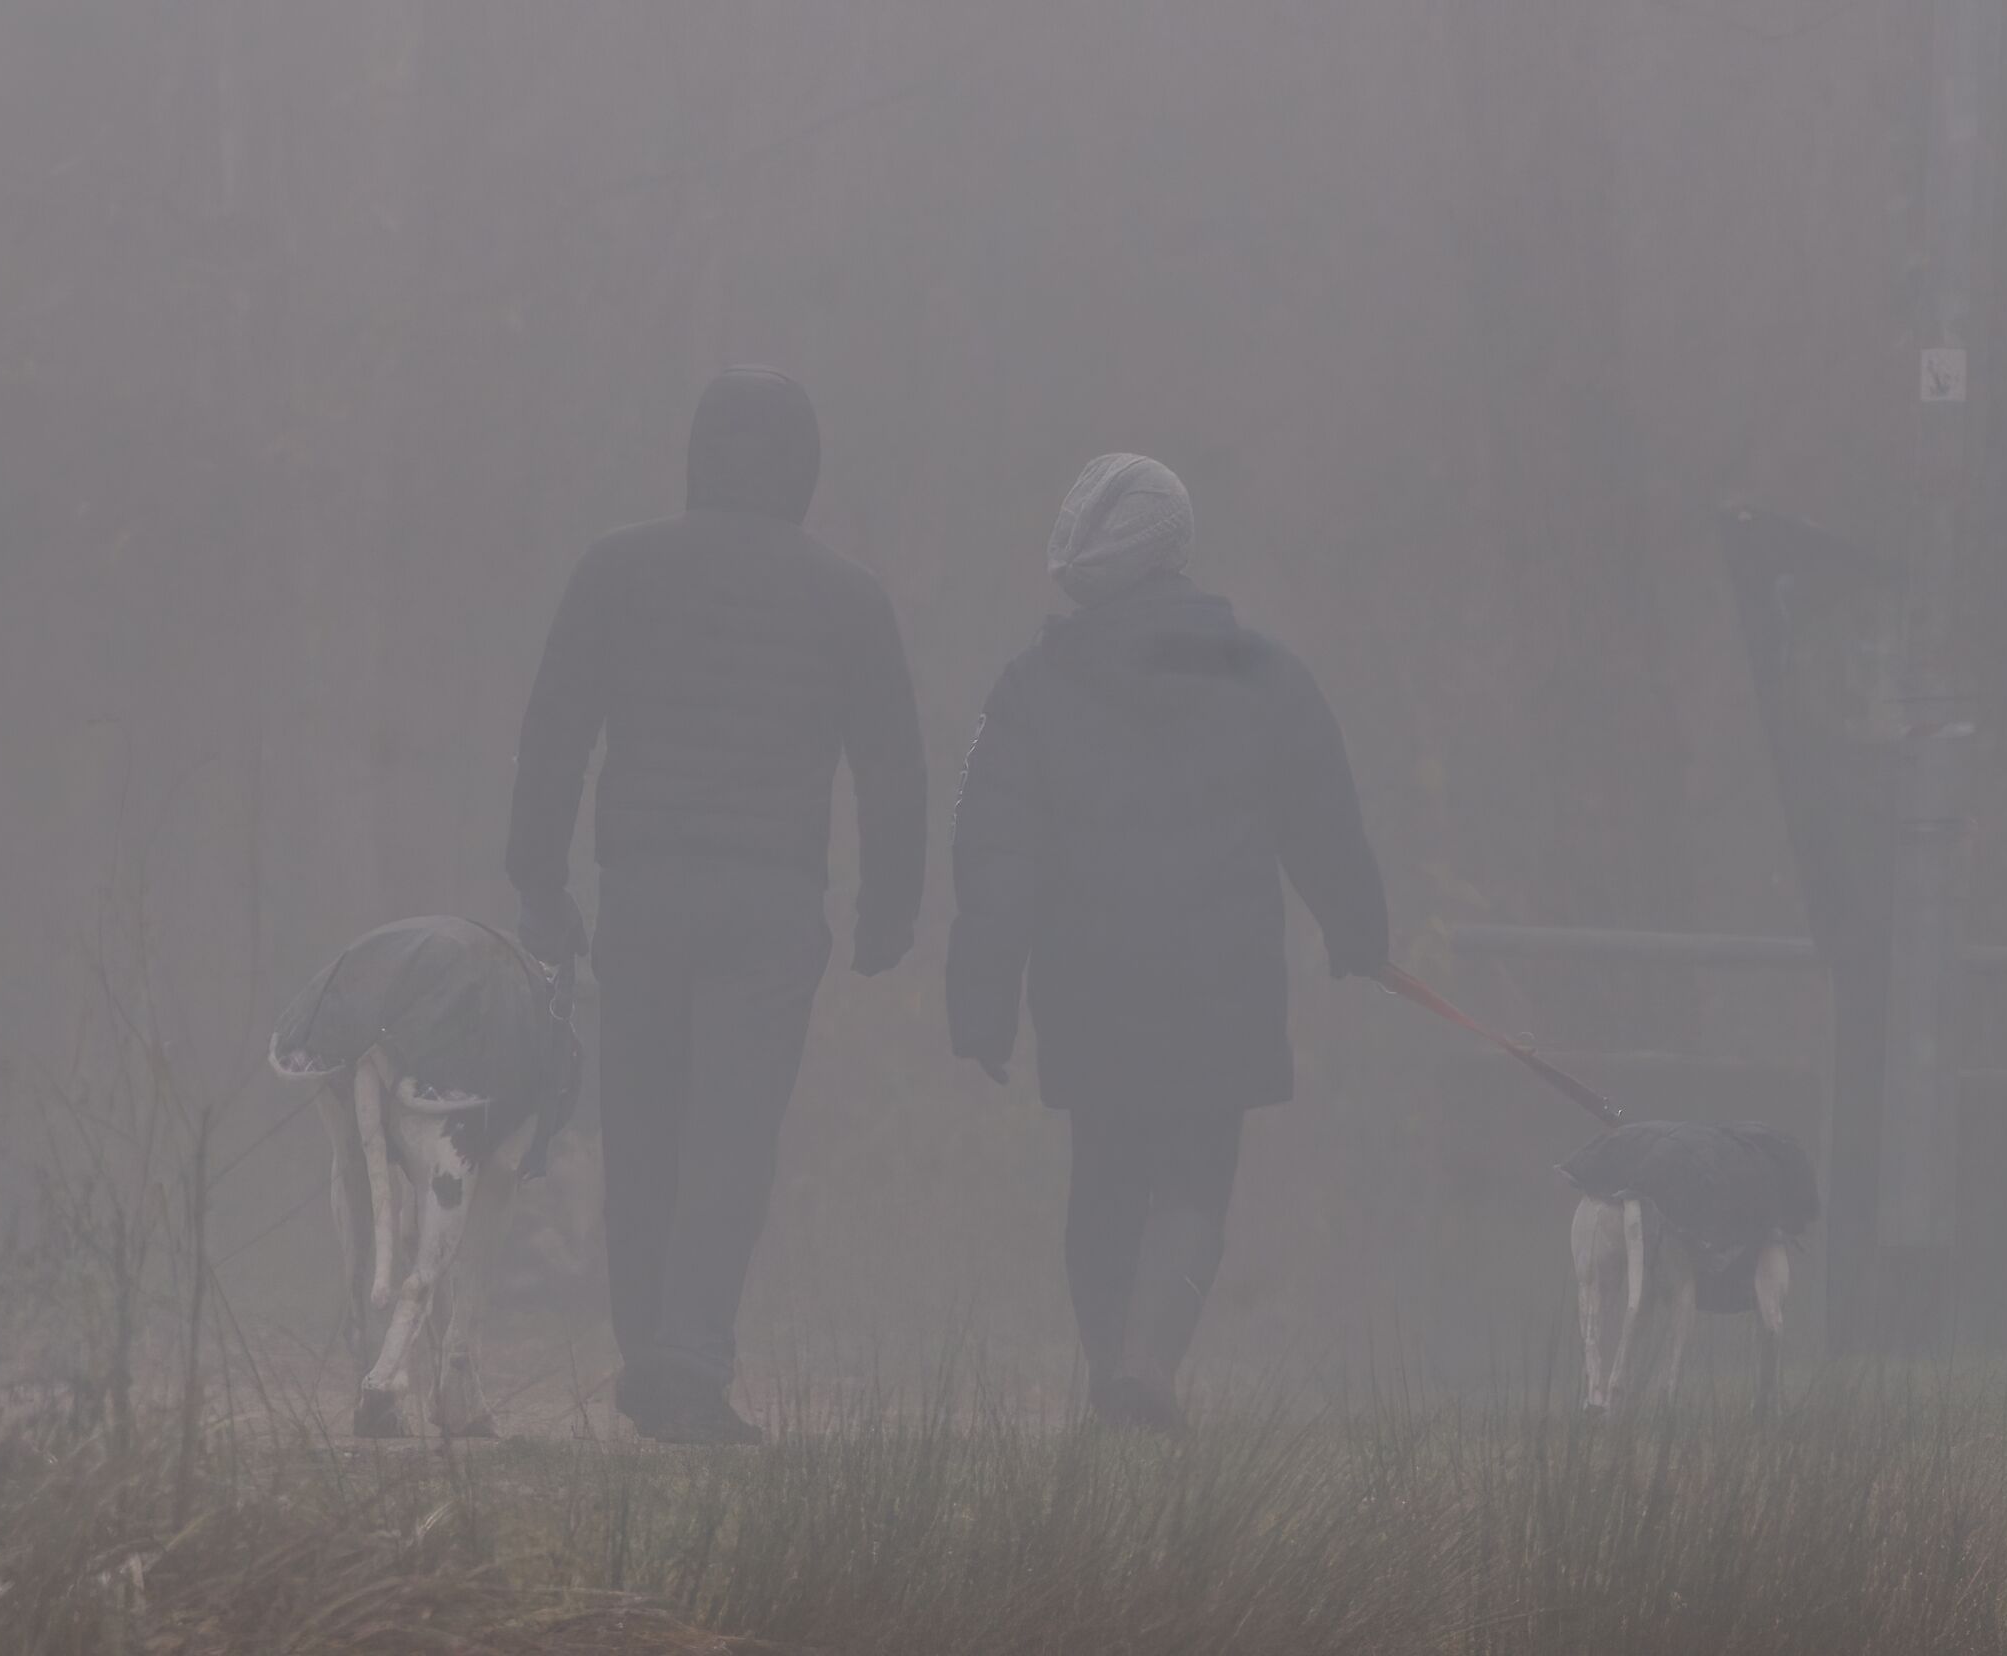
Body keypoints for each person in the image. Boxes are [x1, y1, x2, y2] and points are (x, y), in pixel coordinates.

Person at [506, 368, 927, 1443]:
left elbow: (555, 730)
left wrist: (539, 881)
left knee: (642, 1127)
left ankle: (652, 1349)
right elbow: (892, 771)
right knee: (732, 1135)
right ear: (806, 469)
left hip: (642, 888)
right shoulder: (849, 599)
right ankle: (688, 1357)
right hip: (772, 900)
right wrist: (890, 906)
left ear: (696, 455)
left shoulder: (618, 570)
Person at [946, 454, 1388, 1429]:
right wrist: (1358, 928)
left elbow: (995, 857)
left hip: (1088, 977)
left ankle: (1114, 1369)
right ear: (1175, 549)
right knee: (1194, 1172)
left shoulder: (1033, 687)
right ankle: (1146, 1367)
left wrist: (980, 995)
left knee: (1104, 1167)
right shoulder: (1264, 672)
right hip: (1219, 978)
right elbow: (1323, 818)